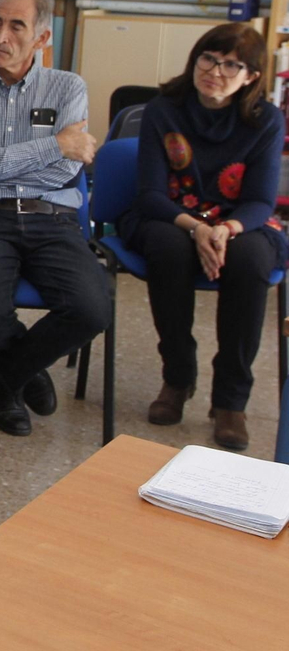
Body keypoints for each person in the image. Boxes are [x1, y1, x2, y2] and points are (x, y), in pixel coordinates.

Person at [0, 0, 112, 437]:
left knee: (93, 308)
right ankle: (22, 372)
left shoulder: (69, 87)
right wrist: (54, 143)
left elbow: (66, 171)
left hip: (51, 216)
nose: (1, 35)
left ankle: (6, 374)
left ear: (41, 37)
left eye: (17, 25)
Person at [121, 24, 286, 451]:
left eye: (231, 64)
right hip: (174, 218)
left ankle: (231, 401)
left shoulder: (266, 119)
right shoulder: (164, 109)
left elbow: (261, 202)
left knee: (250, 261)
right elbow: (151, 195)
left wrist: (222, 231)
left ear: (251, 76)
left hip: (238, 223)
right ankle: (177, 378)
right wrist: (197, 229)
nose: (215, 70)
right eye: (208, 58)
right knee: (167, 249)